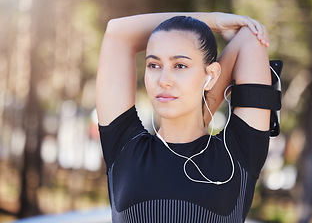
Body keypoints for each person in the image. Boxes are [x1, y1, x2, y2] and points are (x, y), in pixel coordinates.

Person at [96, 12, 272, 223]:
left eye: (180, 65)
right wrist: (214, 21)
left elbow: (250, 38)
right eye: (154, 65)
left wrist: (205, 104)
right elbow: (117, 32)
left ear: (212, 74)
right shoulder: (123, 145)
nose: (164, 80)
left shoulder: (239, 153)